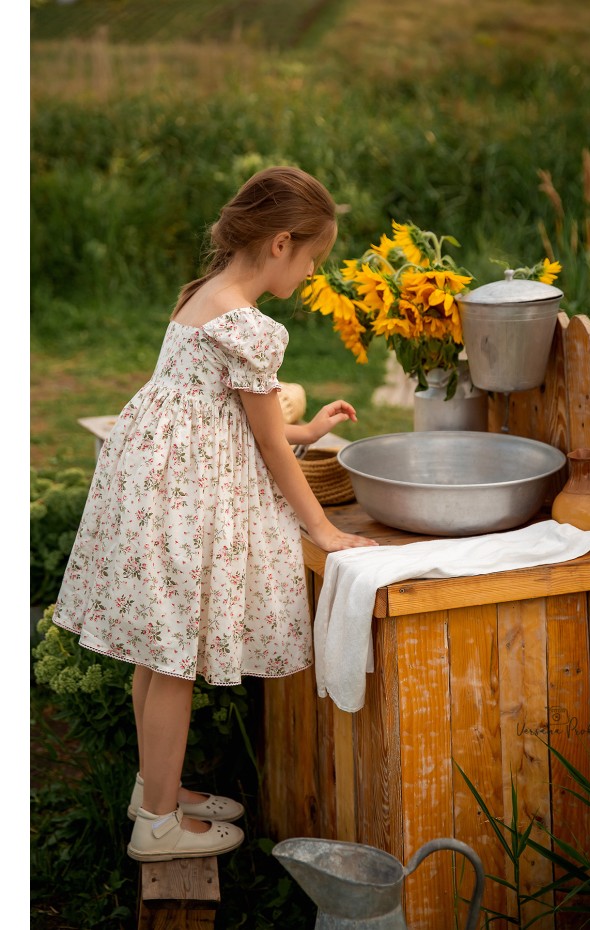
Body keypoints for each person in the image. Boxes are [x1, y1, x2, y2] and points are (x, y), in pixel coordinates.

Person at [52, 166, 378, 862]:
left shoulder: (205, 293)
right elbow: (260, 440)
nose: (313, 270)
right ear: (282, 243)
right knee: (173, 659)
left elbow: (223, 411)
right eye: (315, 257)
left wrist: (307, 431)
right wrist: (320, 528)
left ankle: (153, 789)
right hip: (179, 492)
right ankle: (161, 827)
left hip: (148, 475)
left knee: (156, 648)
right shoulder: (250, 327)